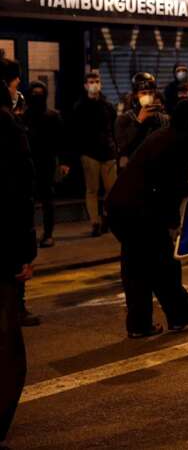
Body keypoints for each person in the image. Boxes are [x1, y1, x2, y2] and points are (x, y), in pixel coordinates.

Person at [104, 100, 188, 338]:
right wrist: (172, 221)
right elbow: (170, 183)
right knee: (162, 264)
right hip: (139, 212)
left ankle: (144, 324)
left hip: (120, 207)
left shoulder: (166, 134)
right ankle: (179, 315)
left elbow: (169, 178)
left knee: (138, 267)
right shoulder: (181, 140)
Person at [1, 57, 35, 446]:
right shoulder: (7, 126)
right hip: (3, 250)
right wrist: (22, 254)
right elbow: (16, 193)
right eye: (15, 84)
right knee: (7, 352)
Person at [70, 71, 118, 237]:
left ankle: (107, 218)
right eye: (91, 81)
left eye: (96, 81)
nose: (94, 84)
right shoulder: (80, 106)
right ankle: (95, 222)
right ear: (85, 85)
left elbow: (113, 128)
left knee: (111, 190)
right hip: (90, 153)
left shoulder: (107, 106)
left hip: (108, 153)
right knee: (92, 190)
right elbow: (75, 131)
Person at [24, 82, 68, 248]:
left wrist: (63, 161)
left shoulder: (52, 116)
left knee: (47, 199)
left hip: (46, 162)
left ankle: (48, 233)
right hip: (29, 162)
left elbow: (61, 140)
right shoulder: (24, 116)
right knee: (29, 200)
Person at [116, 72, 169, 166]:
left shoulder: (163, 119)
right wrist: (138, 121)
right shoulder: (124, 119)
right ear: (136, 95)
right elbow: (123, 146)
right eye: (143, 93)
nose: (147, 96)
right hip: (135, 167)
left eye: (150, 93)